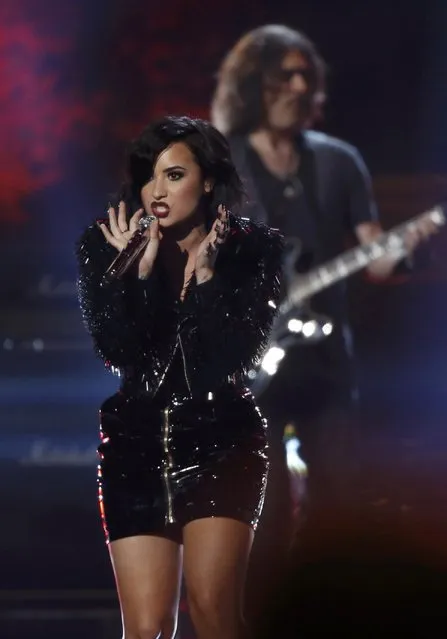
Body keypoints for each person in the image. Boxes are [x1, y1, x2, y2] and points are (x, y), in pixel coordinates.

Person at [211, 23, 439, 625]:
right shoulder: (221, 161)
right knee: (265, 513)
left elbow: (376, 258)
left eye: (304, 75)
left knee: (340, 500)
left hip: (326, 365)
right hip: (248, 368)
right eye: (282, 74)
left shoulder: (339, 162)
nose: (296, 85)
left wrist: (409, 246)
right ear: (252, 83)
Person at [75, 115, 283, 639]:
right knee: (145, 629)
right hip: (134, 445)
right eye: (149, 176)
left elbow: (232, 357)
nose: (156, 191)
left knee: (213, 612)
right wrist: (136, 275)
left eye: (173, 175)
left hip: (221, 442)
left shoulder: (251, 250)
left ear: (207, 180)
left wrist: (208, 281)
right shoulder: (105, 247)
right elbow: (119, 352)